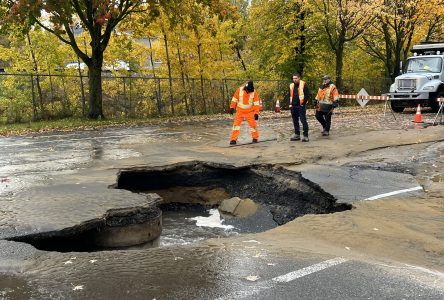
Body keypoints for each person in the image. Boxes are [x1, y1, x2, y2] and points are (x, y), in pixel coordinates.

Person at [229, 81, 260, 145]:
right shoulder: (239, 90)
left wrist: (256, 113)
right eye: (248, 90)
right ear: (246, 88)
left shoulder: (254, 92)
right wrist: (232, 107)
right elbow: (234, 99)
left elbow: (256, 103)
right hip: (240, 111)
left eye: (250, 90)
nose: (249, 92)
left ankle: (255, 138)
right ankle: (233, 139)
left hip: (249, 112)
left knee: (253, 125)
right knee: (236, 125)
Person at [289, 73, 310, 142]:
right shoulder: (291, 85)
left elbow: (307, 95)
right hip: (293, 106)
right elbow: (289, 95)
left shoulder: (303, 84)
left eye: (296, 78)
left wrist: (303, 104)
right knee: (295, 120)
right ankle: (297, 134)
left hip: (301, 106)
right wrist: (290, 104)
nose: (294, 80)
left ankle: (305, 136)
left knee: (303, 120)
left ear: (299, 78)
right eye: (293, 78)